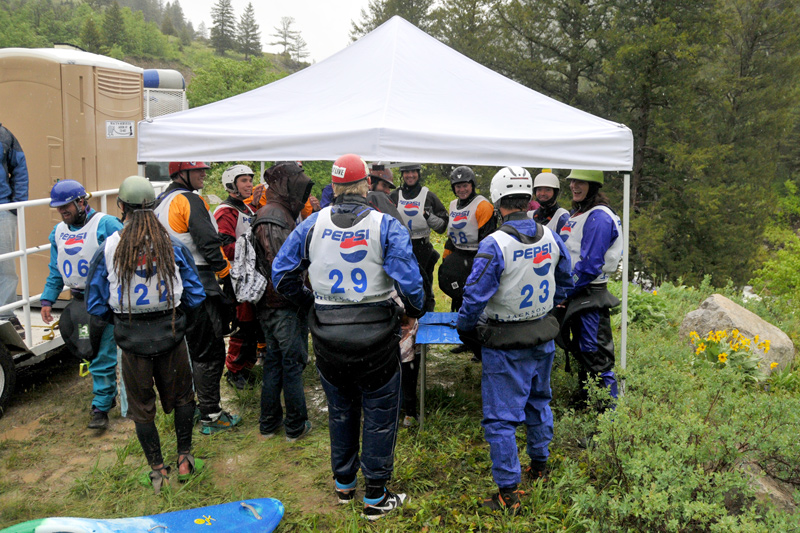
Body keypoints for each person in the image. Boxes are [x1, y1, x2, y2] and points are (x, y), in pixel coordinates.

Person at [273, 154, 425, 520]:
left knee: (340, 411)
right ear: (366, 185)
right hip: (376, 336)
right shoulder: (385, 225)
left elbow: (281, 275)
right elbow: (414, 287)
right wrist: (408, 310)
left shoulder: (311, 223)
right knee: (380, 413)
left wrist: (311, 302)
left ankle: (344, 485)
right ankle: (375, 496)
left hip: (328, 336)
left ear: (335, 187)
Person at [456, 166, 573, 513]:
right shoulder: (551, 237)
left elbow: (473, 297)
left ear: (497, 200)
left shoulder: (495, 244)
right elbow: (566, 280)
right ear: (529, 198)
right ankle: (540, 466)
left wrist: (465, 329)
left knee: (501, 419)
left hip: (505, 341)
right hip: (542, 333)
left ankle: (508, 492)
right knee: (539, 401)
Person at [86, 176, 206, 494]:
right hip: (171, 336)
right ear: (153, 207)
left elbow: (96, 305)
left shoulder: (109, 247)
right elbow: (194, 295)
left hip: (132, 343)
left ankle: (157, 471)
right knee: (183, 398)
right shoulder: (172, 244)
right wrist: (183, 324)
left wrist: (115, 325)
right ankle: (184, 458)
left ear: (120, 207)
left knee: (141, 408)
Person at [154, 162, 240, 435]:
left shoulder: (159, 202)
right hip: (198, 282)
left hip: (169, 284)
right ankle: (211, 415)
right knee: (209, 351)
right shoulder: (187, 200)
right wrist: (226, 276)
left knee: (185, 352)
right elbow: (208, 242)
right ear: (181, 173)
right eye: (198, 169)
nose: (204, 173)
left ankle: (188, 409)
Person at [40, 180, 123, 429]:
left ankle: (100, 404)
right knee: (88, 350)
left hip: (103, 300)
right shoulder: (58, 232)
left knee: (103, 354)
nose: (62, 211)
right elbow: (56, 268)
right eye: (59, 208)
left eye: (66, 206)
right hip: (78, 302)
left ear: (81, 202)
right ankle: (106, 398)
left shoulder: (106, 225)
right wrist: (47, 299)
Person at [251, 161, 314, 442]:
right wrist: (304, 298)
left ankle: (269, 424)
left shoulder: (278, 213)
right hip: (281, 306)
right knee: (290, 364)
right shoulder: (273, 216)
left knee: (276, 362)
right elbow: (281, 269)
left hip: (278, 304)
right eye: (298, 182)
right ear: (284, 185)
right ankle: (295, 426)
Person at [557, 169, 623, 408]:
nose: (574, 185)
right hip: (578, 291)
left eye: (581, 182)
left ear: (594, 185)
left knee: (596, 354)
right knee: (582, 350)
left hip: (589, 293)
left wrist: (564, 293)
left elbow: (590, 265)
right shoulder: (581, 213)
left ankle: (608, 420)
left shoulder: (599, 217)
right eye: (573, 181)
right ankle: (586, 399)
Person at [214, 164, 266, 389]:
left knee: (253, 324)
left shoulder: (246, 209)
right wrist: (253, 247)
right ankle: (234, 371)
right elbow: (224, 246)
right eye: (243, 180)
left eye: (249, 180)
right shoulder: (226, 211)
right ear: (231, 185)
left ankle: (246, 367)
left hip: (250, 273)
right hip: (236, 277)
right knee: (243, 325)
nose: (249, 184)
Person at [390, 163, 448, 311]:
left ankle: (427, 316)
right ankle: (404, 317)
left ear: (418, 173)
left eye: (413, 172)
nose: (410, 175)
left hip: (423, 249)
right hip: (401, 248)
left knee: (425, 287)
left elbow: (442, 227)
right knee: (401, 287)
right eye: (406, 172)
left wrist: (428, 216)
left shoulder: (428, 196)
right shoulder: (395, 195)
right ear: (402, 175)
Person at [439, 166, 496, 313]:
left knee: (474, 295)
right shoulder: (453, 205)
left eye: (465, 185)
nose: (462, 190)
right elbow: (452, 233)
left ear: (472, 185)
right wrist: (447, 254)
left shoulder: (483, 205)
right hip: (459, 254)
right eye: (458, 186)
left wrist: (480, 263)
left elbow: (487, 238)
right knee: (456, 292)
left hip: (476, 255)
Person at [0, 123, 28, 328]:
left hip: (2, 209)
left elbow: (20, 167)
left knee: (5, 266)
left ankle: (6, 314)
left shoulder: (4, 135)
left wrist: (16, 204)